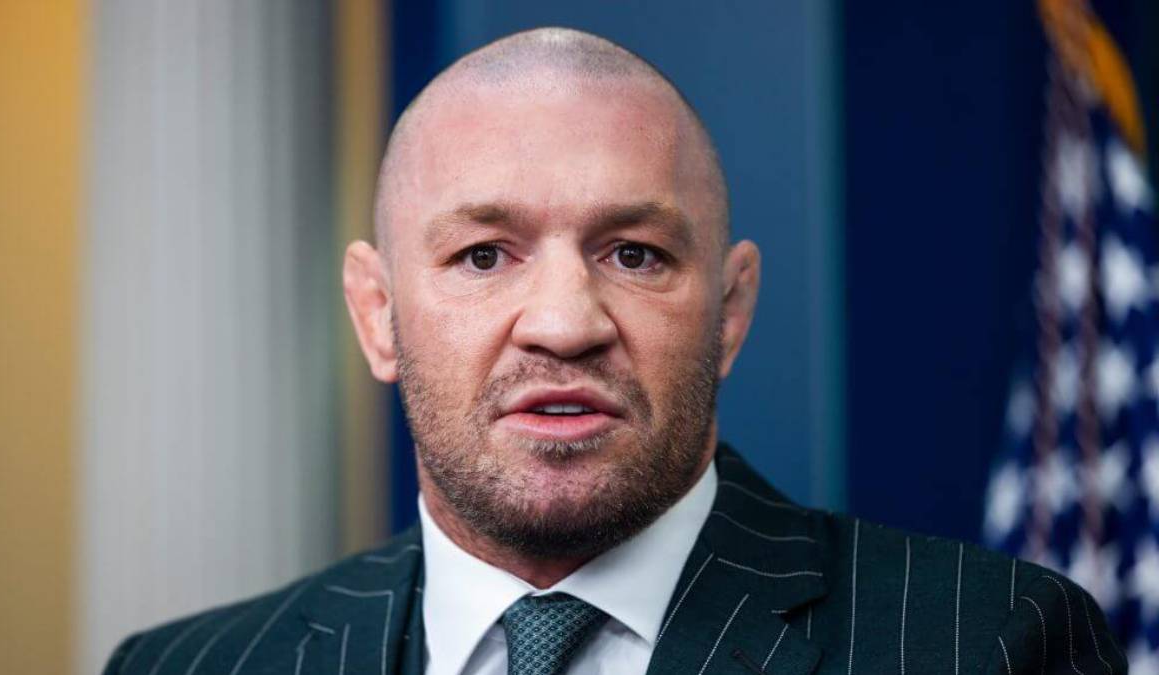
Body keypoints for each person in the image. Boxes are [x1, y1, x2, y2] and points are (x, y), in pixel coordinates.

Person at [104, 27, 1125, 675]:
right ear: (377, 315)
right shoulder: (184, 667)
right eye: (483, 255)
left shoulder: (993, 643)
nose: (564, 322)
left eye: (633, 254)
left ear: (730, 311)